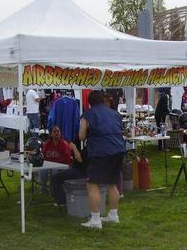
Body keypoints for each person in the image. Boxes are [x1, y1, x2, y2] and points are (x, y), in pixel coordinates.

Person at [78, 90, 126, 229]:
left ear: (89, 102)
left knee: (92, 184)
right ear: (103, 100)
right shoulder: (115, 113)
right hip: (118, 150)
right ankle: (113, 215)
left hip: (100, 152)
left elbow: (81, 136)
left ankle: (95, 220)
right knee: (112, 183)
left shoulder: (88, 114)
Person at [51, 140, 87, 206]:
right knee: (59, 174)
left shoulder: (89, 145)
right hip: (79, 170)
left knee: (55, 178)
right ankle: (64, 198)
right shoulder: (93, 145)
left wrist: (74, 147)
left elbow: (80, 159)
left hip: (80, 172)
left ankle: (62, 201)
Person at [40, 125, 71, 193]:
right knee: (42, 170)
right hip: (49, 165)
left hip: (61, 166)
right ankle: (44, 189)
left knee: (54, 171)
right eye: (55, 132)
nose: (57, 133)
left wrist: (54, 164)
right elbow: (43, 156)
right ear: (51, 134)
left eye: (58, 131)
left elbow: (66, 159)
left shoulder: (64, 144)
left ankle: (54, 189)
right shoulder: (47, 144)